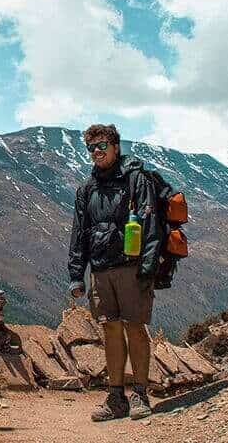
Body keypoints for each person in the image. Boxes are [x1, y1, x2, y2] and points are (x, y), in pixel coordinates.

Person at [67, 123, 161, 420]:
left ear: (115, 146)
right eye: (91, 148)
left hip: (131, 267)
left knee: (135, 327)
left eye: (102, 146)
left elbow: (151, 226)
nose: (96, 152)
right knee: (110, 330)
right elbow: (79, 233)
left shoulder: (136, 180)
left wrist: (148, 267)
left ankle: (141, 395)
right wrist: (76, 275)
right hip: (101, 270)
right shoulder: (87, 189)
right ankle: (116, 397)